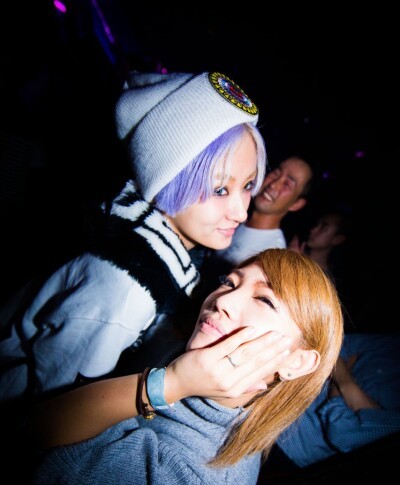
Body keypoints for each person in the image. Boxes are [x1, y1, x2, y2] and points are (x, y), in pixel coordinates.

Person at [28, 248, 344, 485]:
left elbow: (32, 434)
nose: (222, 300)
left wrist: (170, 384)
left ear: (296, 362)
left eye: (264, 299)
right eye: (229, 282)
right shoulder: (183, 347)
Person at [0, 70, 267, 404]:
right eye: (220, 189)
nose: (241, 211)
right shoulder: (129, 287)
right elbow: (57, 409)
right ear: (166, 180)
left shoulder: (161, 249)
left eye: (247, 186)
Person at [276, 332, 400, 467]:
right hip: (277, 389)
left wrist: (345, 381)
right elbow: (334, 345)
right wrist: (349, 391)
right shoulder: (393, 344)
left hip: (288, 442)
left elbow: (343, 433)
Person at [215, 156, 313, 266]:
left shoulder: (271, 256)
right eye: (276, 173)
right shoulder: (233, 217)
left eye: (287, 184)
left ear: (296, 204)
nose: (273, 185)